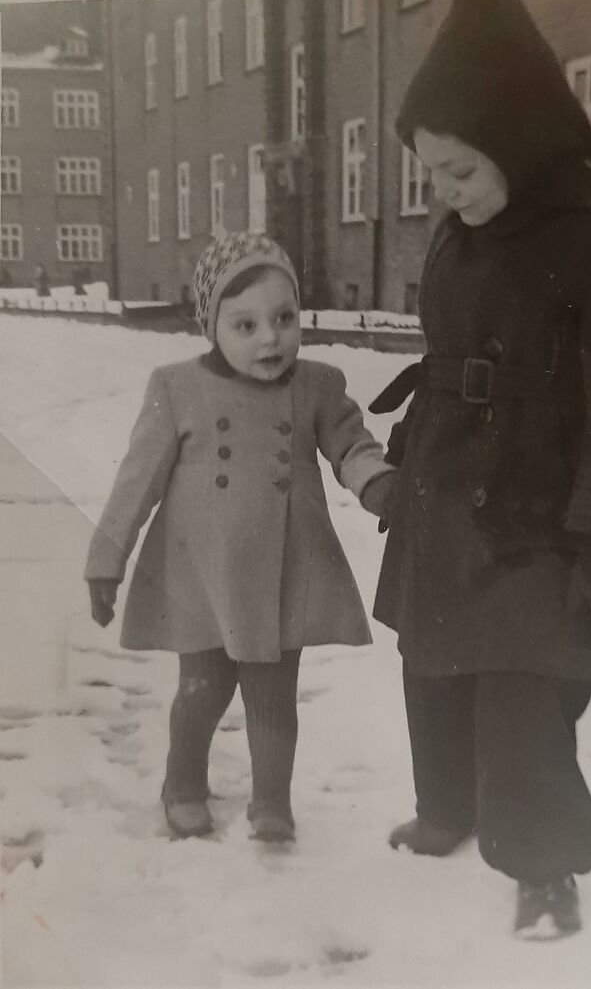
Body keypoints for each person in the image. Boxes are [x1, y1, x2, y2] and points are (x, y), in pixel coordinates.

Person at [369, 0, 591, 939]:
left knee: (523, 691)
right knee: (430, 663)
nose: (445, 192)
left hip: (543, 508)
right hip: (448, 482)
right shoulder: (463, 230)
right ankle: (447, 808)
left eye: (459, 168)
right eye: (432, 172)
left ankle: (545, 866)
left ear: (520, 135)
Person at [85, 231, 395, 842]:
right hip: (199, 574)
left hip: (283, 571)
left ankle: (272, 801)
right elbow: (135, 481)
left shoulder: (317, 384)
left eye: (284, 318)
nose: (271, 338)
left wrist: (376, 482)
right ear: (211, 327)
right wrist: (106, 561)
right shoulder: (176, 388)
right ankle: (183, 783)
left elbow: (352, 444)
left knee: (273, 694)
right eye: (245, 325)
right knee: (201, 691)